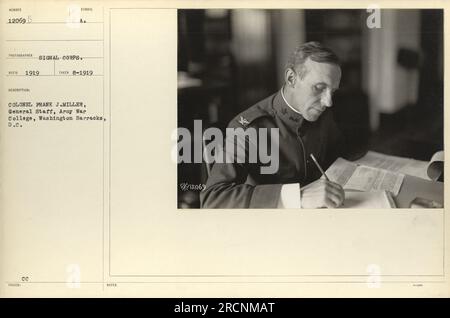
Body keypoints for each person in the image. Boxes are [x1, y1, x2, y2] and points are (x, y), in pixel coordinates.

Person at [200, 42, 347, 209]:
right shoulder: (248, 128)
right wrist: (297, 197)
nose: (328, 102)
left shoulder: (321, 112)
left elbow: (337, 155)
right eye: (319, 88)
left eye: (332, 91)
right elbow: (213, 198)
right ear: (291, 78)